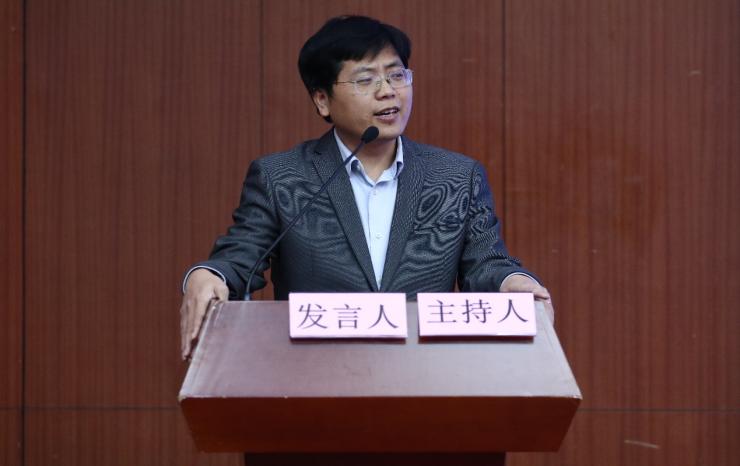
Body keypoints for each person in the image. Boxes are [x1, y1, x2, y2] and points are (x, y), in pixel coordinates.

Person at [180, 15, 553, 359]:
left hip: (424, 374)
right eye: (365, 80)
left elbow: (486, 263)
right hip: (313, 374)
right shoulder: (281, 176)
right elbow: (241, 257)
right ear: (322, 100)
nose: (387, 91)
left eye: (396, 75)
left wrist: (514, 282)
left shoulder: (456, 177)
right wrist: (209, 274)